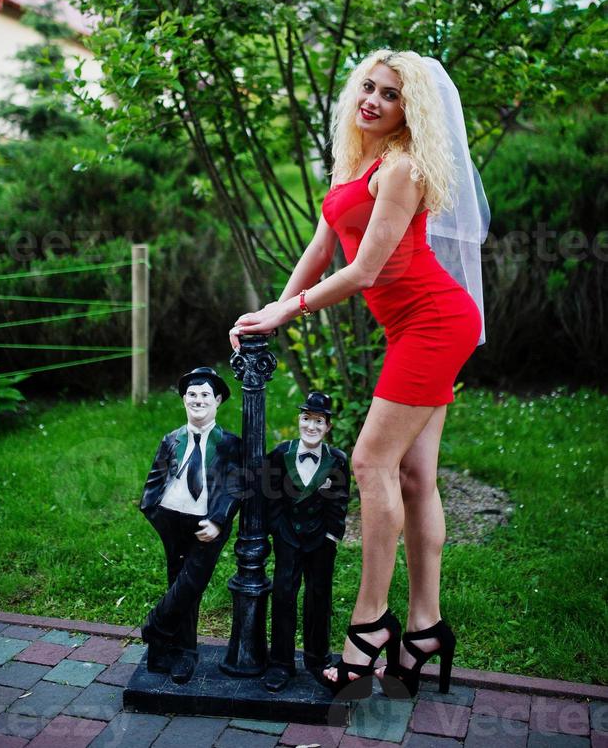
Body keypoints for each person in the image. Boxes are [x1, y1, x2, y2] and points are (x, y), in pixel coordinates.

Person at [230, 50, 489, 699]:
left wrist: (287, 315)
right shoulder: (358, 161)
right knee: (413, 474)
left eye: (390, 94)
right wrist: (272, 308)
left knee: (372, 464)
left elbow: (363, 272)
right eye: (368, 87)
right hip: (416, 326)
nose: (372, 100)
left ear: (411, 108)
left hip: (433, 322)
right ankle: (425, 629)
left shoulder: (401, 167)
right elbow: (320, 248)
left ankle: (370, 623)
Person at [140, 366, 243, 683]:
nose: (198, 401)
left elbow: (234, 487)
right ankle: (174, 650)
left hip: (207, 524)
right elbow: (155, 481)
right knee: (177, 580)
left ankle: (156, 626)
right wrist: (153, 511)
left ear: (218, 401)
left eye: (205, 395)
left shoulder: (228, 444)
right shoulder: (172, 439)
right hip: (171, 519)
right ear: (184, 399)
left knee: (192, 583)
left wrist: (217, 520)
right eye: (192, 395)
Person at [263, 391, 350, 692]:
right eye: (306, 419)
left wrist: (331, 536)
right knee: (284, 595)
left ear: (327, 427)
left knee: (319, 598)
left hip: (320, 541)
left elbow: (339, 501)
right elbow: (270, 498)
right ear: (298, 421)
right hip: (288, 537)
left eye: (318, 421)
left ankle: (318, 658)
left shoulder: (337, 461)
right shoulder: (279, 454)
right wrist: (278, 530)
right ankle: (281, 662)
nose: (311, 427)